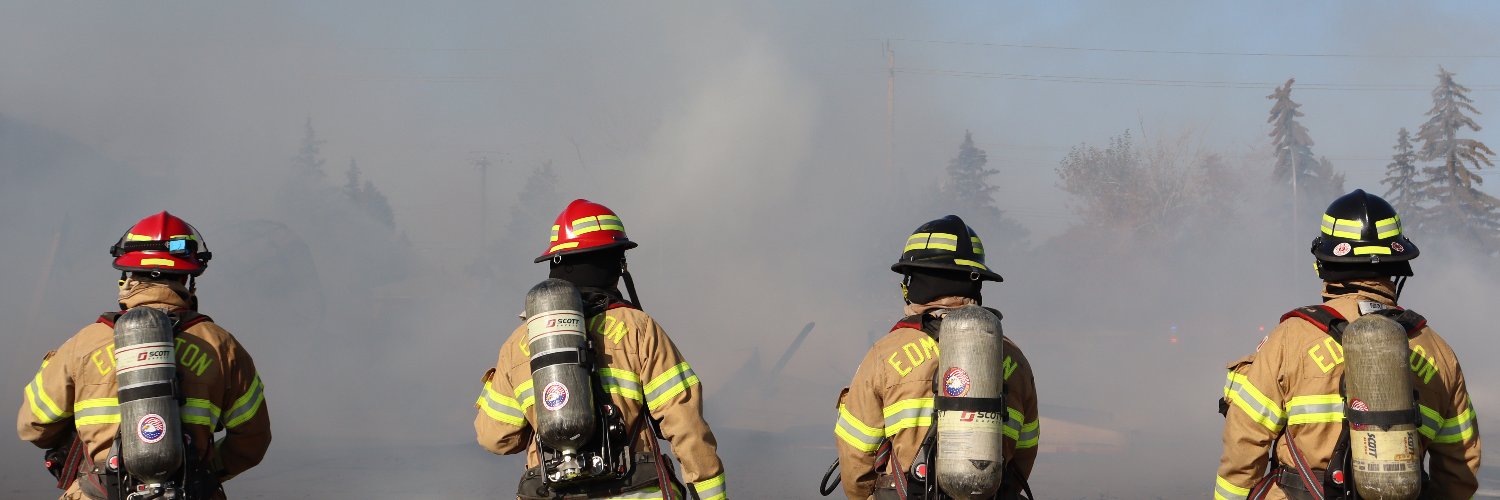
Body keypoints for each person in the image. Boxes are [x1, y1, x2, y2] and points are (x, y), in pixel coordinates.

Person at [1215, 189, 1481, 499]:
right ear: (1397, 266)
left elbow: (1244, 444)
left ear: (1323, 265)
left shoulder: (1290, 340)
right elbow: (1460, 467)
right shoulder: (1437, 352)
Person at [475, 199, 727, 500]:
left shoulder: (518, 343)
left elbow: (495, 439)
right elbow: (687, 426)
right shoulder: (638, 328)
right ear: (613, 262)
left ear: (558, 263)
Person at [17, 211, 271, 499]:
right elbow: (252, 441)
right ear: (188, 278)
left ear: (127, 277)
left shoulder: (84, 344)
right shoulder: (223, 347)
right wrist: (202, 473)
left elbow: (34, 427)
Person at [833, 215, 1038, 499]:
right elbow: (1025, 451)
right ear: (976, 282)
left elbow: (856, 453)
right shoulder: (1013, 358)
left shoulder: (885, 354)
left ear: (912, 282)